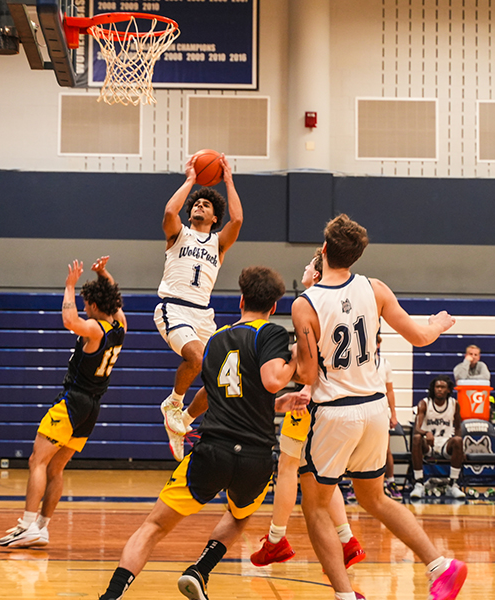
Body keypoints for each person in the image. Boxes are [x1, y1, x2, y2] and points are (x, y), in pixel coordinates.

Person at [98, 266, 308, 600]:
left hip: (213, 450)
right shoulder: (271, 334)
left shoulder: (216, 339)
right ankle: (200, 569)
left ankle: (111, 595)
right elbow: (265, 384)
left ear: (241, 301)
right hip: (254, 458)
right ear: (274, 308)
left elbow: (215, 393)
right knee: (239, 516)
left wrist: (183, 417)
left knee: (153, 526)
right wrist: (296, 360)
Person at [292, 214, 466, 600]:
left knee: (316, 506)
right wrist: (437, 322)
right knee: (374, 497)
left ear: (323, 250)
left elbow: (305, 374)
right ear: (354, 257)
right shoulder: (375, 288)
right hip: (373, 408)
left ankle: (344, 595)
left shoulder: (306, 304)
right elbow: (420, 336)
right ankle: (440, 565)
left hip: (335, 411)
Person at [0, 257, 126, 548]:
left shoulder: (96, 329)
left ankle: (27, 524)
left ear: (94, 305)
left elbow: (69, 320)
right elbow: (115, 300)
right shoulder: (121, 327)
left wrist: (69, 285)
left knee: (37, 461)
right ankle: (42, 528)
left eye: (85, 303)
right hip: (92, 408)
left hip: (73, 401)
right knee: (55, 469)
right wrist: (103, 274)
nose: (83, 307)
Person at [250, 251, 365, 570]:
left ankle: (275, 541)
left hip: (314, 399)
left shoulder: (310, 304)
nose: (303, 268)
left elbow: (313, 357)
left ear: (317, 273)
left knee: (288, 467)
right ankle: (347, 540)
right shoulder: (342, 301)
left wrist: (306, 388)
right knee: (318, 474)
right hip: (339, 398)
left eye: (308, 265)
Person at [155, 154, 243, 461]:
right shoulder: (178, 233)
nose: (199, 206)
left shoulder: (218, 243)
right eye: (197, 203)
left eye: (206, 205)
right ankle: (174, 403)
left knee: (221, 378)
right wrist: (191, 179)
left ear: (214, 217)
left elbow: (239, 220)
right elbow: (169, 210)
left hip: (203, 313)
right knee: (194, 357)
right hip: (174, 308)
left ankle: (182, 424)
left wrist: (229, 179)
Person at [409, 376, 467, 500]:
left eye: (443, 387)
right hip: (428, 445)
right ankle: (419, 484)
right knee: (417, 438)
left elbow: (458, 427)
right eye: (437, 387)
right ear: (433, 388)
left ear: (448, 390)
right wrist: (426, 432)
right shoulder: (424, 403)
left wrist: (461, 448)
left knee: (458, 440)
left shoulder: (454, 404)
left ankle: (453, 484)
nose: (439, 389)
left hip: (446, 444)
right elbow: (416, 428)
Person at [377, 332, 402, 500]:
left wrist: (393, 414)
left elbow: (390, 391)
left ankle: (391, 482)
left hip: (380, 412)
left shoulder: (384, 364)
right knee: (355, 451)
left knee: (385, 450)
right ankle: (353, 485)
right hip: (359, 410)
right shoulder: (356, 363)